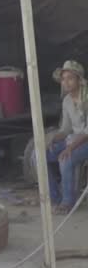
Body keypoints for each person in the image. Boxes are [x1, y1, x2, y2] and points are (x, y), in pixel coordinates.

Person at [46, 60, 88, 214]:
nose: (66, 82)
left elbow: (87, 132)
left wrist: (69, 148)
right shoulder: (67, 101)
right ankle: (55, 198)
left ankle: (67, 202)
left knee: (65, 158)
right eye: (63, 79)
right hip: (74, 139)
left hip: (85, 140)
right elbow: (66, 129)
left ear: (79, 79)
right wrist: (53, 139)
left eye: (70, 78)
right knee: (39, 156)